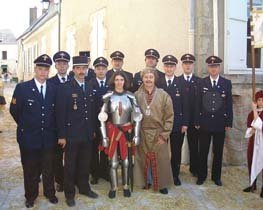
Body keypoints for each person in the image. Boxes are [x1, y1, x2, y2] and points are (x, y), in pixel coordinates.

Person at [10, 54, 58, 208]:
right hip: (29, 138)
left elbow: (56, 112)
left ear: (49, 71)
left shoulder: (54, 88)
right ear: (35, 69)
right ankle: (30, 196)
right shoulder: (22, 88)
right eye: (40, 69)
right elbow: (14, 110)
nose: (43, 72)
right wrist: (27, 126)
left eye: (46, 69)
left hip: (49, 137)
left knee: (48, 168)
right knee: (30, 169)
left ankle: (50, 193)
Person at [56, 56, 98, 207]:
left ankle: (85, 188)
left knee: (85, 164)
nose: (81, 71)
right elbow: (60, 114)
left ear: (87, 69)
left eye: (84, 68)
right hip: (71, 135)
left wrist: (92, 130)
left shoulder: (90, 85)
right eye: (78, 68)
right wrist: (62, 135)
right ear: (73, 69)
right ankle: (69, 194)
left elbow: (92, 112)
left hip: (87, 134)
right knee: (70, 166)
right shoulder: (65, 87)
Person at [98, 71, 142, 198]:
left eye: (121, 80)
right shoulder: (108, 97)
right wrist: (104, 136)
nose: (119, 82)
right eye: (116, 79)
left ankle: (126, 186)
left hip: (126, 131)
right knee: (113, 162)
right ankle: (113, 187)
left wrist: (137, 135)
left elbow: (137, 116)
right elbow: (102, 117)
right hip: (112, 131)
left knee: (127, 161)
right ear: (113, 81)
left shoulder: (131, 96)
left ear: (125, 81)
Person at [134, 67, 174, 194]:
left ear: (155, 79)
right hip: (142, 132)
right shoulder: (136, 95)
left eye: (151, 77)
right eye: (146, 77)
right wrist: (135, 133)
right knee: (143, 159)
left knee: (160, 159)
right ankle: (145, 181)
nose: (148, 80)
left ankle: (162, 185)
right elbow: (133, 116)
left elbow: (169, 116)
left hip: (158, 132)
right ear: (142, 79)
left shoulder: (164, 95)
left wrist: (165, 134)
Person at [196, 56, 233, 186]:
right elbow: (197, 103)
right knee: (203, 151)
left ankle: (216, 177)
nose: (213, 68)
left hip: (219, 123)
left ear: (219, 67)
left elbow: (229, 104)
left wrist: (229, 122)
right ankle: (201, 176)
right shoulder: (201, 83)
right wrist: (197, 121)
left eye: (216, 66)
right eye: (211, 66)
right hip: (204, 123)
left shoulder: (226, 83)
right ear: (208, 67)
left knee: (218, 152)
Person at [159, 55, 189, 186]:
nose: (169, 68)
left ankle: (175, 175)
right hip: (161, 124)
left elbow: (186, 104)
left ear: (175, 67)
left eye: (171, 66)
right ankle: (163, 175)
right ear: (164, 67)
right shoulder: (158, 82)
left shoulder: (181, 83)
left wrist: (185, 123)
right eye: (167, 66)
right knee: (162, 152)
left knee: (176, 152)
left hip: (177, 124)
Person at [48, 50, 71, 192]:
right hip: (56, 126)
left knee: (72, 156)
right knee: (57, 157)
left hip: (73, 126)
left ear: (68, 65)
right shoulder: (50, 83)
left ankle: (71, 179)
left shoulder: (74, 81)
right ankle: (60, 180)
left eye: (64, 63)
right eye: (59, 63)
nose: (62, 66)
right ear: (55, 66)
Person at [177, 53, 201, 177]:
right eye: (185, 63)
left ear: (193, 65)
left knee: (193, 145)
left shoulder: (199, 81)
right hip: (180, 120)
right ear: (182, 65)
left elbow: (200, 103)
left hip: (194, 120)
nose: (187, 66)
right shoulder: (177, 81)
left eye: (190, 63)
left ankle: (194, 168)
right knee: (177, 146)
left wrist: (198, 120)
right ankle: (176, 169)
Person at [88, 57, 110, 184]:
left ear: (107, 70)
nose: (101, 71)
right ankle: (94, 173)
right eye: (98, 69)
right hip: (94, 122)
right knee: (94, 149)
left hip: (108, 123)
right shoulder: (89, 84)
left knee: (106, 147)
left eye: (103, 68)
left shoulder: (111, 84)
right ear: (95, 70)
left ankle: (105, 171)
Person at [243, 90, 263, 198]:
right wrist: (251, 131)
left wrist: (255, 110)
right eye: (259, 100)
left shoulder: (254, 112)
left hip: (262, 142)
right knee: (251, 160)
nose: (261, 102)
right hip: (253, 141)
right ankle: (252, 184)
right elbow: (250, 127)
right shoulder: (251, 114)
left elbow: (259, 125)